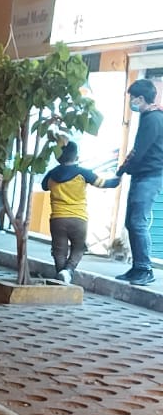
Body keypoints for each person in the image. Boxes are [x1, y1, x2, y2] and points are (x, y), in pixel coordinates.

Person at [40, 141, 120, 284]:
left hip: (57, 219)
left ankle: (61, 276)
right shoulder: (84, 173)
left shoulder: (51, 175)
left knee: (59, 250)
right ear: (76, 157)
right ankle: (68, 271)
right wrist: (120, 174)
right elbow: (107, 184)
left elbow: (44, 186)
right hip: (78, 219)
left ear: (58, 158)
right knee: (79, 247)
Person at [116, 79, 163, 285]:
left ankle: (145, 269)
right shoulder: (149, 117)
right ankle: (137, 268)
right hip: (144, 174)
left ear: (141, 98)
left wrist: (125, 170)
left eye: (132, 98)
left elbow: (140, 150)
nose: (131, 102)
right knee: (131, 222)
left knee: (138, 222)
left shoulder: (153, 119)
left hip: (150, 175)